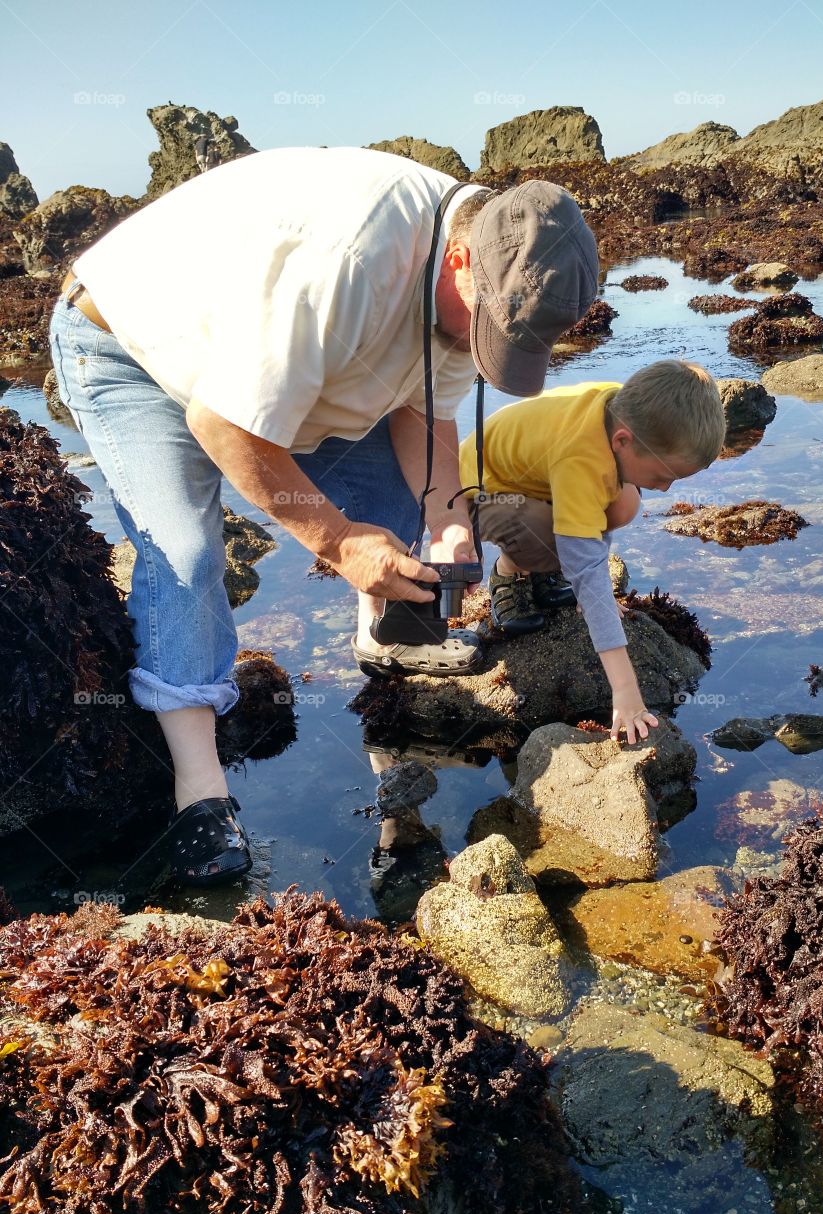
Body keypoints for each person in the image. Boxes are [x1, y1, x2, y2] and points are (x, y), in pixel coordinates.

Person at [49, 145, 599, 886]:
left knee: (416, 499)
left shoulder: (487, 266)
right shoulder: (346, 263)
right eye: (486, 329)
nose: (482, 347)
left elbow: (422, 408)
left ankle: (382, 635)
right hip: (130, 348)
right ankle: (200, 797)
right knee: (185, 553)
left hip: (271, 369)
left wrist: (449, 519)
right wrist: (337, 541)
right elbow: (224, 425)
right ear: (461, 261)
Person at [458, 360, 726, 743]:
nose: (666, 490)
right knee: (541, 537)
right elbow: (584, 560)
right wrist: (626, 689)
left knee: (625, 503)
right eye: (663, 475)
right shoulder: (581, 455)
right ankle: (511, 570)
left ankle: (545, 568)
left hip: (541, 479)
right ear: (622, 441)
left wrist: (593, 592)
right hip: (481, 491)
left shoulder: (626, 409)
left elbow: (597, 504)